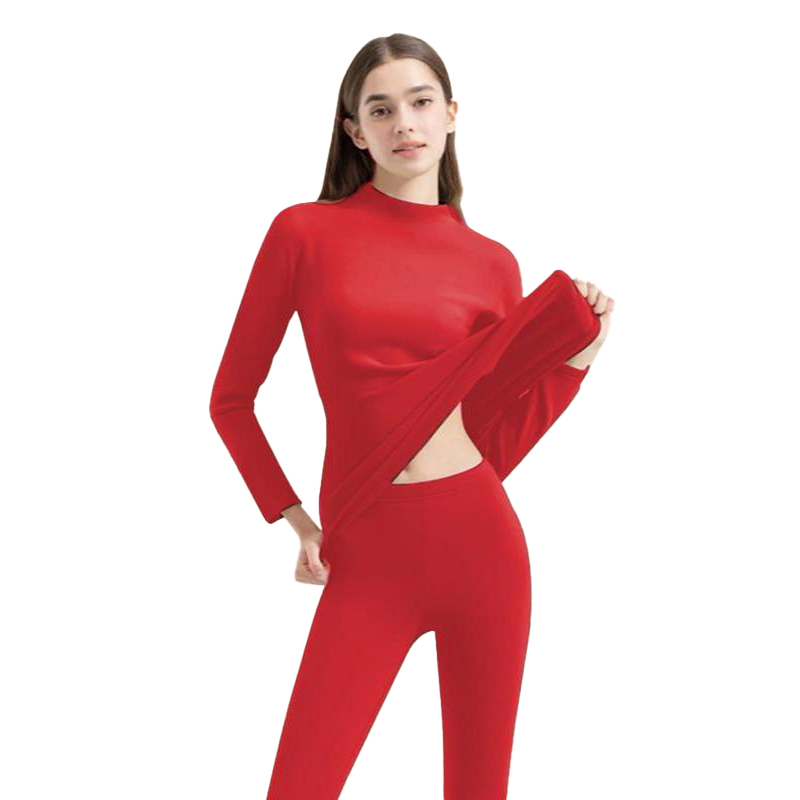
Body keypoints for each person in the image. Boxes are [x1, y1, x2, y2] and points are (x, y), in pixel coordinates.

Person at [209, 33, 614, 800]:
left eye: (421, 101)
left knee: (478, 789)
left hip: (482, 544)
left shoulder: (493, 263)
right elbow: (230, 401)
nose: (405, 123)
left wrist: (576, 362)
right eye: (381, 109)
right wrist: (296, 520)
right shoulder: (304, 233)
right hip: (366, 552)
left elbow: (491, 435)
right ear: (355, 131)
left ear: (451, 113)